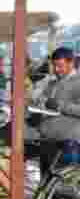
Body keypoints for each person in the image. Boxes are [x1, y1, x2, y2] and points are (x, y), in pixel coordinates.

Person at [30, 47, 80, 177]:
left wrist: (59, 105)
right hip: (47, 139)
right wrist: (38, 104)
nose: (56, 70)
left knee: (62, 187)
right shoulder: (53, 82)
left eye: (60, 66)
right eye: (54, 66)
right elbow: (43, 100)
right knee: (45, 181)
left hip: (67, 141)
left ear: (71, 63)